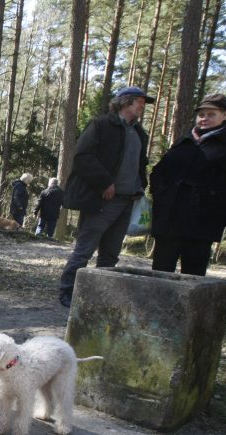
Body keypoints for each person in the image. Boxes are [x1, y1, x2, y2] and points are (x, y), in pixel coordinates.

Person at [57, 86, 152, 308]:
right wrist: (105, 182)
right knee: (84, 250)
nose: (142, 105)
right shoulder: (101, 125)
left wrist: (140, 186)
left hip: (128, 201)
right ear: (126, 102)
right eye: (140, 101)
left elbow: (140, 165)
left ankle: (100, 295)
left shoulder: (139, 133)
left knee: (110, 254)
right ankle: (68, 292)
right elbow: (83, 157)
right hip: (102, 201)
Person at [150, 94, 226, 276]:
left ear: (225, 115)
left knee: (193, 274)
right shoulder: (185, 140)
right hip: (170, 217)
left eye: (211, 114)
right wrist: (161, 195)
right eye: (201, 114)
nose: (204, 119)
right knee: (161, 271)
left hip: (204, 219)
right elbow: (159, 171)